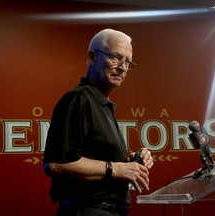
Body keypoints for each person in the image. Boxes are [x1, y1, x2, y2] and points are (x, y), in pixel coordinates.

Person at [43, 29, 154, 216]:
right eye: (116, 57)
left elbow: (96, 157)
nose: (123, 68)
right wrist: (117, 168)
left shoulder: (101, 103)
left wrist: (131, 161)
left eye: (128, 62)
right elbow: (56, 164)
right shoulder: (77, 99)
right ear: (92, 57)